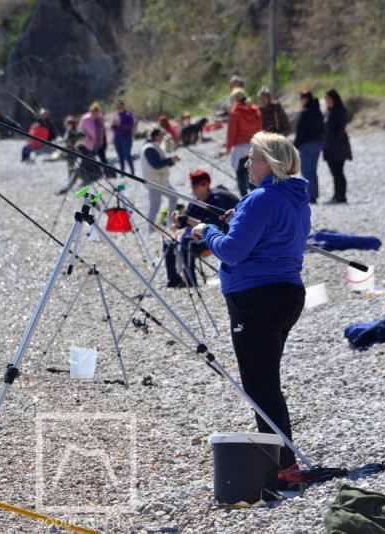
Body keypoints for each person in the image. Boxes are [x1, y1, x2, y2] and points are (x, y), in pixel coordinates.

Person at [192, 131, 310, 473]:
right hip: (287, 296)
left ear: (270, 163)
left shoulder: (261, 199)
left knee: (261, 388)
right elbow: (268, 233)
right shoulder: (295, 198)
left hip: (257, 301)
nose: (247, 163)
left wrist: (206, 230)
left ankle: (283, 466)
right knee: (266, 383)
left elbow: (232, 251)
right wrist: (238, 219)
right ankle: (283, 460)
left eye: (253, 157)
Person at [165, 170, 238, 288]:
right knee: (169, 243)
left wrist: (188, 220)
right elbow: (185, 221)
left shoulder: (216, 200)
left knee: (188, 243)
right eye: (192, 186)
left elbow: (215, 227)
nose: (194, 190)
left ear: (206, 184)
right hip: (200, 234)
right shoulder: (195, 201)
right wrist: (178, 221)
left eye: (196, 186)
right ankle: (174, 279)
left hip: (219, 237)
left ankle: (190, 281)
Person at [140, 128, 180, 233]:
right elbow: (156, 164)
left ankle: (170, 222)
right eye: (161, 135)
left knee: (173, 197)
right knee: (155, 206)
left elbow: (161, 163)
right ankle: (150, 229)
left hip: (160, 181)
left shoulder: (154, 146)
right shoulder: (149, 148)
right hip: (154, 182)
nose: (163, 137)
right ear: (156, 136)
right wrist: (170, 160)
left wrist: (172, 161)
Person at [225, 89, 262, 197]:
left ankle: (244, 198)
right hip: (254, 144)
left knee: (240, 173)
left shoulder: (235, 112)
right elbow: (260, 127)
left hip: (240, 148)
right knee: (253, 172)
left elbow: (232, 132)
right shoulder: (254, 110)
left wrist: (228, 148)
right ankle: (257, 195)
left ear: (235, 98)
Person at [293, 90, 325, 204]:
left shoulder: (306, 112)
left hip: (306, 145)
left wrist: (295, 145)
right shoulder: (317, 110)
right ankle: (314, 194)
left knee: (306, 171)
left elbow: (300, 131)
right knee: (313, 170)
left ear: (305, 99)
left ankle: (311, 196)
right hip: (318, 143)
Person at [323, 89, 352, 204]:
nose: (326, 101)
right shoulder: (329, 111)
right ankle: (337, 195)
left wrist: (334, 143)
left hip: (338, 147)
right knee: (335, 172)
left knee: (338, 172)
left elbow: (341, 129)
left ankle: (341, 196)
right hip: (329, 147)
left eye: (327, 98)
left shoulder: (339, 111)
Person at [78, 102, 108, 166]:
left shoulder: (100, 118)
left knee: (103, 159)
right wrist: (86, 136)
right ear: (91, 112)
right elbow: (80, 130)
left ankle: (107, 173)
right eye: (94, 112)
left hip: (99, 143)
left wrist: (104, 142)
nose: (96, 114)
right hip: (89, 143)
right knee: (91, 160)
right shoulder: (85, 119)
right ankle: (94, 174)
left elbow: (103, 130)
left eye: (97, 112)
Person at [110, 100, 136, 174]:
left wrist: (120, 124)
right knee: (120, 156)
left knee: (127, 155)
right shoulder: (115, 115)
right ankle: (122, 172)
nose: (119, 109)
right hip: (117, 138)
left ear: (123, 107)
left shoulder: (128, 115)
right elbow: (112, 126)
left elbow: (131, 125)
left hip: (126, 137)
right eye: (117, 107)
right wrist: (114, 124)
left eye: (120, 107)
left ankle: (132, 171)